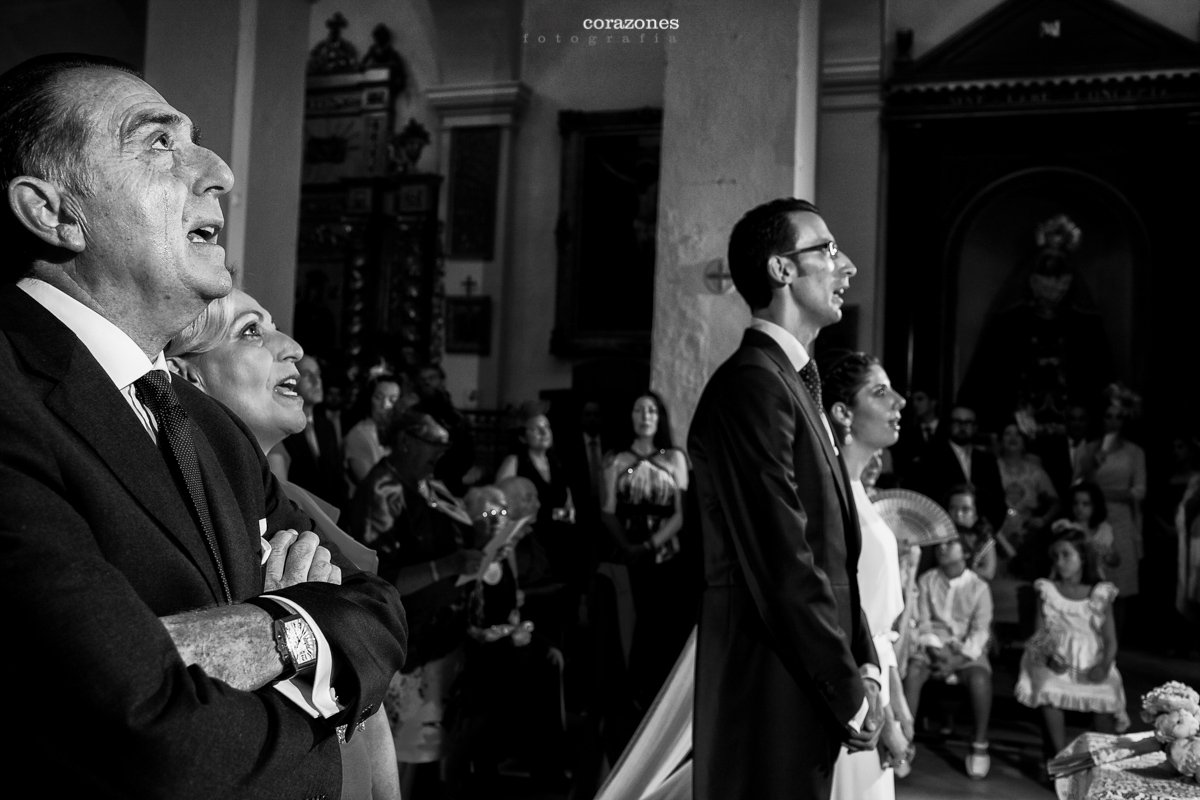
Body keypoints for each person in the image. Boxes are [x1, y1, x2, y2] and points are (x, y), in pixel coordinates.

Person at [0, 53, 407, 797]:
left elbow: (379, 612)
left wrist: (273, 629)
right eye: (158, 142)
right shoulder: (12, 396)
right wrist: (307, 649)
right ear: (54, 211)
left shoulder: (209, 429)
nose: (218, 169)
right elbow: (147, 738)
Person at [167, 287, 400, 800]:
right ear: (186, 377)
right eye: (251, 331)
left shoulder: (288, 512)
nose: (292, 346)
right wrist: (297, 624)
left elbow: (370, 664)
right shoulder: (172, 521)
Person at [687, 197, 882, 799]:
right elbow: (782, 559)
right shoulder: (753, 386)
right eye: (826, 249)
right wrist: (848, 691)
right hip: (768, 685)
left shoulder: (794, 384)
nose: (845, 264)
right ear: (782, 270)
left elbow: (833, 556)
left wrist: (867, 663)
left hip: (804, 678)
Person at [349, 409, 484, 798]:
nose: (440, 454)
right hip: (409, 643)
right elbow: (379, 578)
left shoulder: (427, 485)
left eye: (445, 446)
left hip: (442, 635)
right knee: (405, 754)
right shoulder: (383, 491)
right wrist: (449, 565)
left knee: (433, 750)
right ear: (406, 440)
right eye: (433, 445)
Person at [822, 351, 916, 799]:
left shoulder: (858, 492)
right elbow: (847, 620)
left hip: (878, 680)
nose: (899, 401)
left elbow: (879, 628)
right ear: (842, 413)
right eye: (880, 392)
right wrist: (886, 716)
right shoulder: (834, 501)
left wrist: (897, 696)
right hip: (856, 694)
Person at [601, 391, 695, 726]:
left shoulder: (675, 458)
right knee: (631, 623)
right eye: (638, 409)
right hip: (627, 552)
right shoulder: (615, 460)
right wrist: (629, 547)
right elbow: (608, 511)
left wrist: (651, 545)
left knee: (662, 624)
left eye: (652, 410)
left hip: (666, 554)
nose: (645, 416)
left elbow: (681, 514)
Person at [1014, 528, 1129, 766]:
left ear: (1083, 558)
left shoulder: (1099, 593)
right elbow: (1040, 635)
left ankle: (1102, 761)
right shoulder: (1047, 590)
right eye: (1055, 556)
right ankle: (1060, 760)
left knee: (1105, 693)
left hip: (1090, 658)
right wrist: (1048, 656)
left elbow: (1110, 640)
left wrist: (1104, 664)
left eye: (1067, 555)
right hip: (1057, 655)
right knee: (1048, 686)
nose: (1060, 562)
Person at [902, 536, 995, 779]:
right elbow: (922, 621)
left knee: (979, 679)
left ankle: (979, 743)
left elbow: (981, 629)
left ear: (965, 553)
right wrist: (935, 649)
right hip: (932, 645)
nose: (942, 548)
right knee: (913, 671)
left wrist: (956, 660)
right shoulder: (927, 579)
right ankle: (904, 740)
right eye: (940, 544)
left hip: (964, 650)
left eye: (950, 544)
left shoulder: (979, 586)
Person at [1075, 386, 1146, 638]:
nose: (1114, 422)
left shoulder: (1134, 452)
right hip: (1093, 517)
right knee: (1093, 575)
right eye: (1109, 416)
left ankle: (1118, 641)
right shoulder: (1090, 449)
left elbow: (1139, 491)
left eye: (1119, 417)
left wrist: (1103, 494)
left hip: (1122, 519)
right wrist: (1094, 466)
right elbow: (1078, 485)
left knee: (1121, 583)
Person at [906, 404, 1007, 533]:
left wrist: (989, 528)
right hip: (942, 531)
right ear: (949, 425)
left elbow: (998, 500)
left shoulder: (987, 460)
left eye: (968, 422)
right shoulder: (931, 458)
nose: (963, 426)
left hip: (981, 535)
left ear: (975, 427)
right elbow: (924, 499)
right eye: (957, 421)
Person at [272, 354, 348, 511]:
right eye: (307, 375)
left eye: (318, 374)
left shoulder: (326, 426)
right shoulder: (280, 428)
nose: (316, 381)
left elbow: (336, 476)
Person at [996, 422, 1060, 578]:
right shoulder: (991, 467)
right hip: (997, 535)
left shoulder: (1035, 471)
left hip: (1026, 536)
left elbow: (1056, 502)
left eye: (1017, 434)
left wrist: (1043, 520)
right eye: (1008, 433)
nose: (1012, 438)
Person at [344, 372, 404, 496]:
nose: (385, 405)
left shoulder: (400, 432)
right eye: (378, 397)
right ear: (369, 399)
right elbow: (372, 487)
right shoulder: (359, 435)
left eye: (393, 400)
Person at [1050, 481, 1119, 577]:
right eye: (1075, 503)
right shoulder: (1065, 526)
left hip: (1097, 580)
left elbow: (1115, 561)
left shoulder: (1105, 529)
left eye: (1085, 504)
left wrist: (1108, 555)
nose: (1079, 508)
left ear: (1096, 505)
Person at [947, 485, 998, 581]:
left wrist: (962, 566)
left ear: (976, 513)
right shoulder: (941, 535)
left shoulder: (984, 537)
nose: (958, 514)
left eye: (965, 509)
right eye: (953, 508)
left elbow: (988, 573)